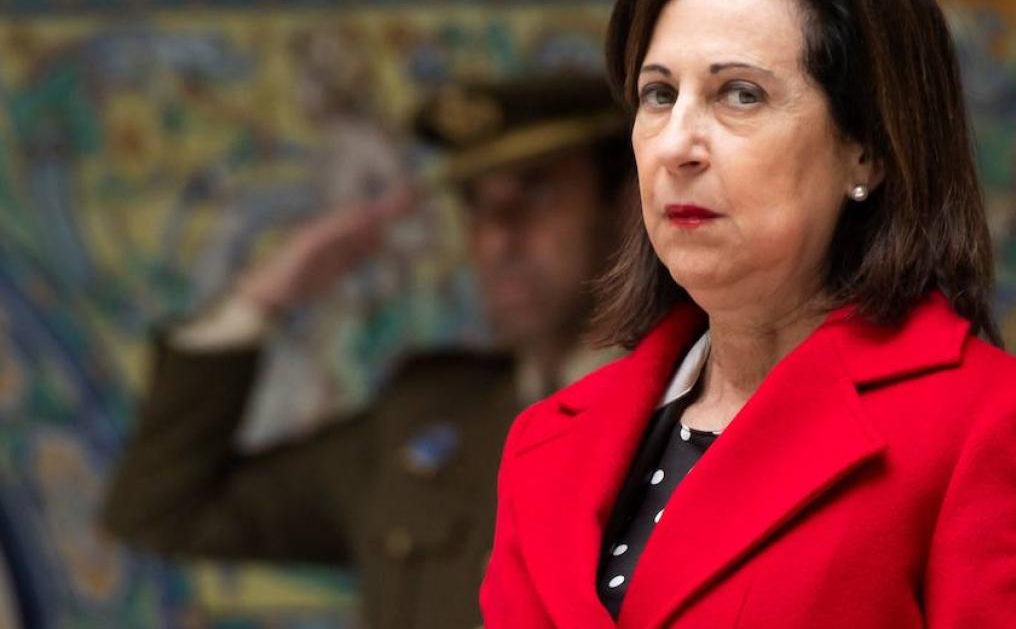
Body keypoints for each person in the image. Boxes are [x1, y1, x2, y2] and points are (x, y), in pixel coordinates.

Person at [480, 0, 1016, 628]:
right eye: (659, 94)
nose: (676, 145)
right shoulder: (548, 440)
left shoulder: (988, 428)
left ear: (867, 149)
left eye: (739, 94)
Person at [101, 73, 631, 629]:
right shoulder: (427, 420)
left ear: (625, 208)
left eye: (537, 194)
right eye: (477, 204)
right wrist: (261, 300)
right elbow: (162, 509)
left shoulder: (683, 419)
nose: (498, 238)